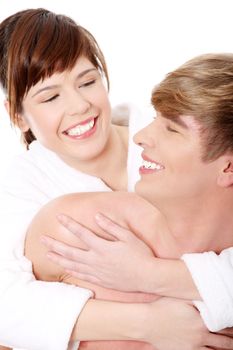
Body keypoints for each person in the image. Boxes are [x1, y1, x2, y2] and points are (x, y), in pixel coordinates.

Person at [0, 7, 231, 349]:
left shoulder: (172, 141)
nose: (80, 106)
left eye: (88, 82)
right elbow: (8, 307)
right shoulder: (19, 188)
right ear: (18, 115)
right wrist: (150, 325)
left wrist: (152, 275)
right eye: (50, 97)